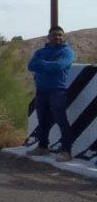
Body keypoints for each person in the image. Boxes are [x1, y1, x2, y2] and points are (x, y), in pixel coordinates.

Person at [26, 26, 75, 162]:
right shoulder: (41, 51)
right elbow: (31, 66)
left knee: (61, 120)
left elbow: (59, 66)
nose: (57, 37)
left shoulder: (67, 52)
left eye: (60, 35)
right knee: (42, 120)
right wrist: (48, 65)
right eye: (54, 35)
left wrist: (41, 64)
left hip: (57, 90)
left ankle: (66, 151)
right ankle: (42, 147)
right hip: (41, 90)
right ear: (49, 37)